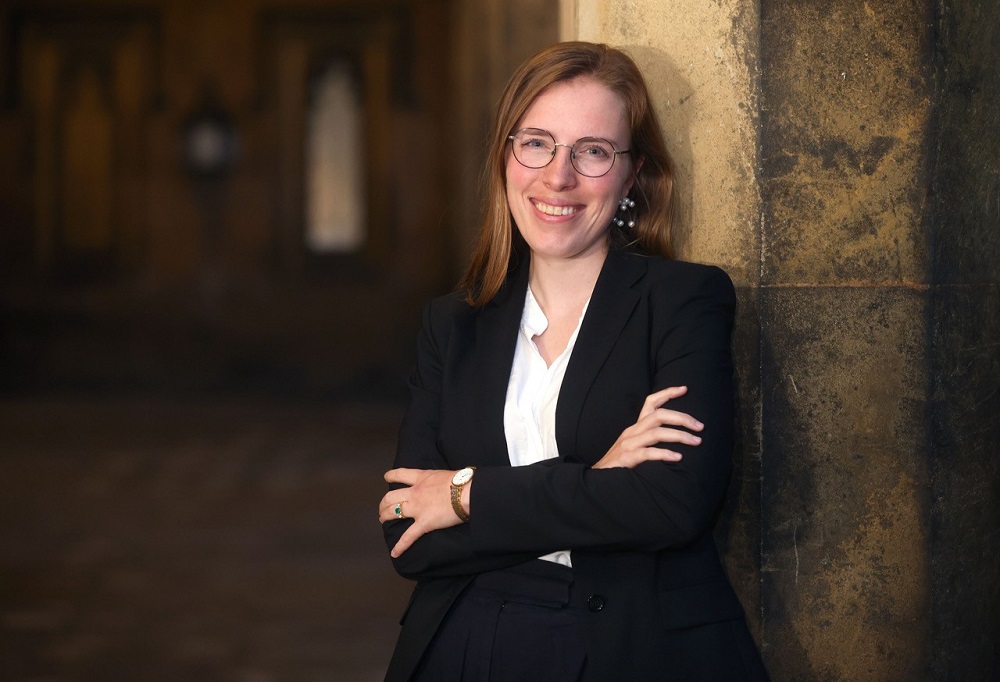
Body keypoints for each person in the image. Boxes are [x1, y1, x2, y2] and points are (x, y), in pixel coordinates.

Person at [378, 41, 768, 681]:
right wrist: (598, 476)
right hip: (470, 647)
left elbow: (671, 505)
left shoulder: (681, 302)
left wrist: (467, 494)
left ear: (632, 174)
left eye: (592, 151)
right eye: (536, 143)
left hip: (636, 649)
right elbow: (403, 531)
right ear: (507, 158)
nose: (557, 176)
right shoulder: (451, 325)